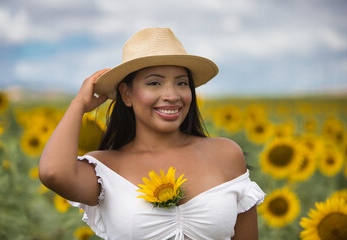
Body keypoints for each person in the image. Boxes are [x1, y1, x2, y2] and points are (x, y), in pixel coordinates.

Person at [39, 27, 265, 240]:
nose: (172, 95)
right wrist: (79, 104)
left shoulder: (225, 154)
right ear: (127, 94)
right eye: (154, 83)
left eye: (182, 83)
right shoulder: (105, 168)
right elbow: (52, 173)